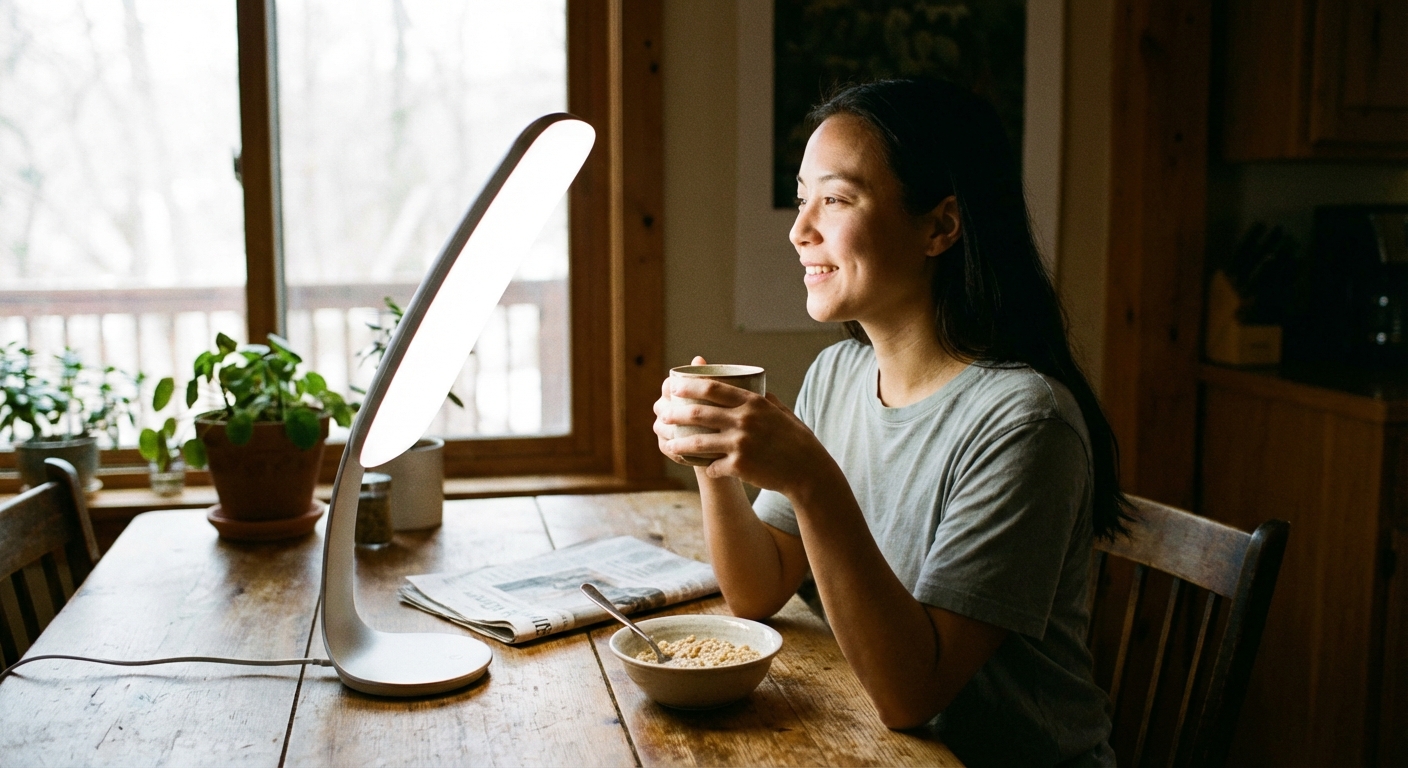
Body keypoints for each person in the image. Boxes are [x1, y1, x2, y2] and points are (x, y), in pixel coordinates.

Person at [653, 78, 1126, 768]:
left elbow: (914, 694)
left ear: (940, 225)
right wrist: (715, 457)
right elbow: (755, 593)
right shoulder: (839, 375)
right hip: (870, 745)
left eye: (836, 199)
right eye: (800, 197)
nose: (799, 230)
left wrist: (812, 479)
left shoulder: (1026, 422)